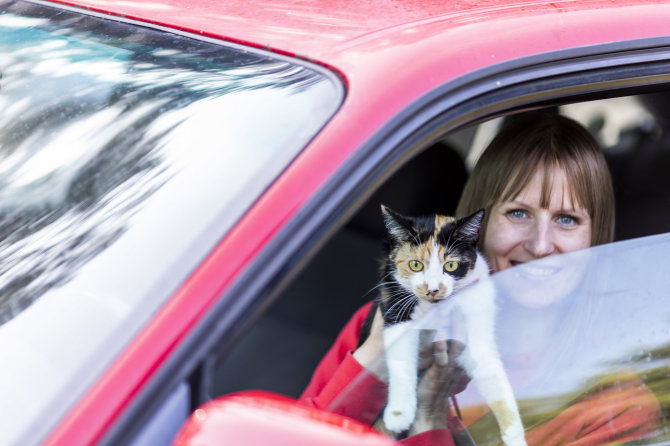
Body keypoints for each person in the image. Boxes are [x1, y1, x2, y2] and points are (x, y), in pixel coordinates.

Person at [300, 113, 656, 445]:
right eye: (518, 213)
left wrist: (429, 420)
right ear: (474, 227)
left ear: (595, 237)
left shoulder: (616, 406)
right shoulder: (373, 328)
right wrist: (375, 360)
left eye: (567, 219)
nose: (540, 244)